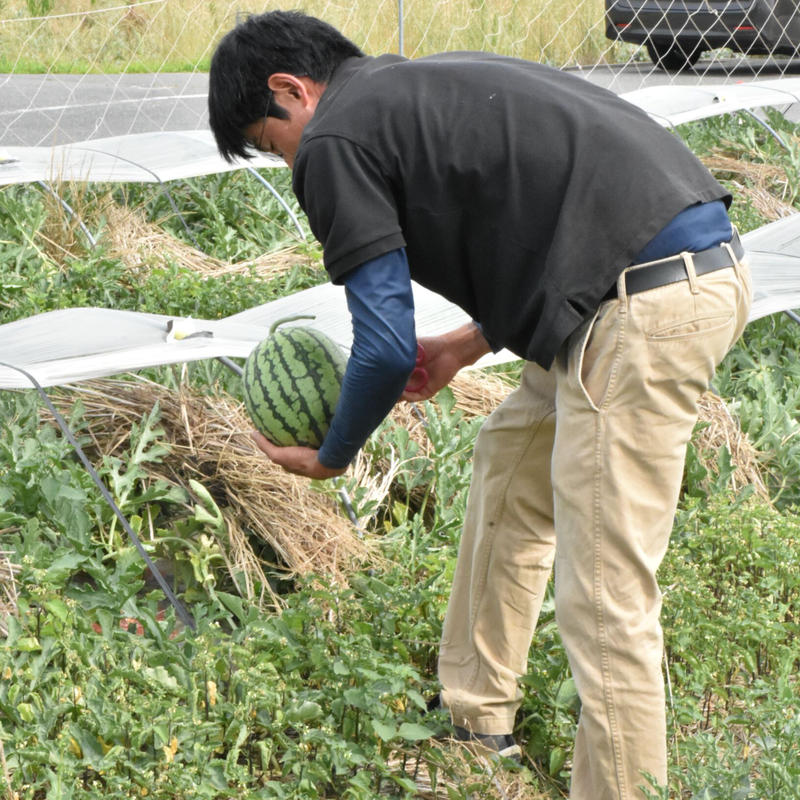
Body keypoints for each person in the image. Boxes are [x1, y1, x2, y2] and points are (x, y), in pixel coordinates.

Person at [207, 11, 752, 799]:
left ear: (291, 90)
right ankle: (474, 722)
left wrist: (332, 455)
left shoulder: (334, 141)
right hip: (666, 277)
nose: (283, 159)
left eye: (268, 140)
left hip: (638, 312)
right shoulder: (413, 89)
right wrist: (467, 343)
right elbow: (553, 212)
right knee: (509, 467)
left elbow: (385, 344)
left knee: (605, 591)